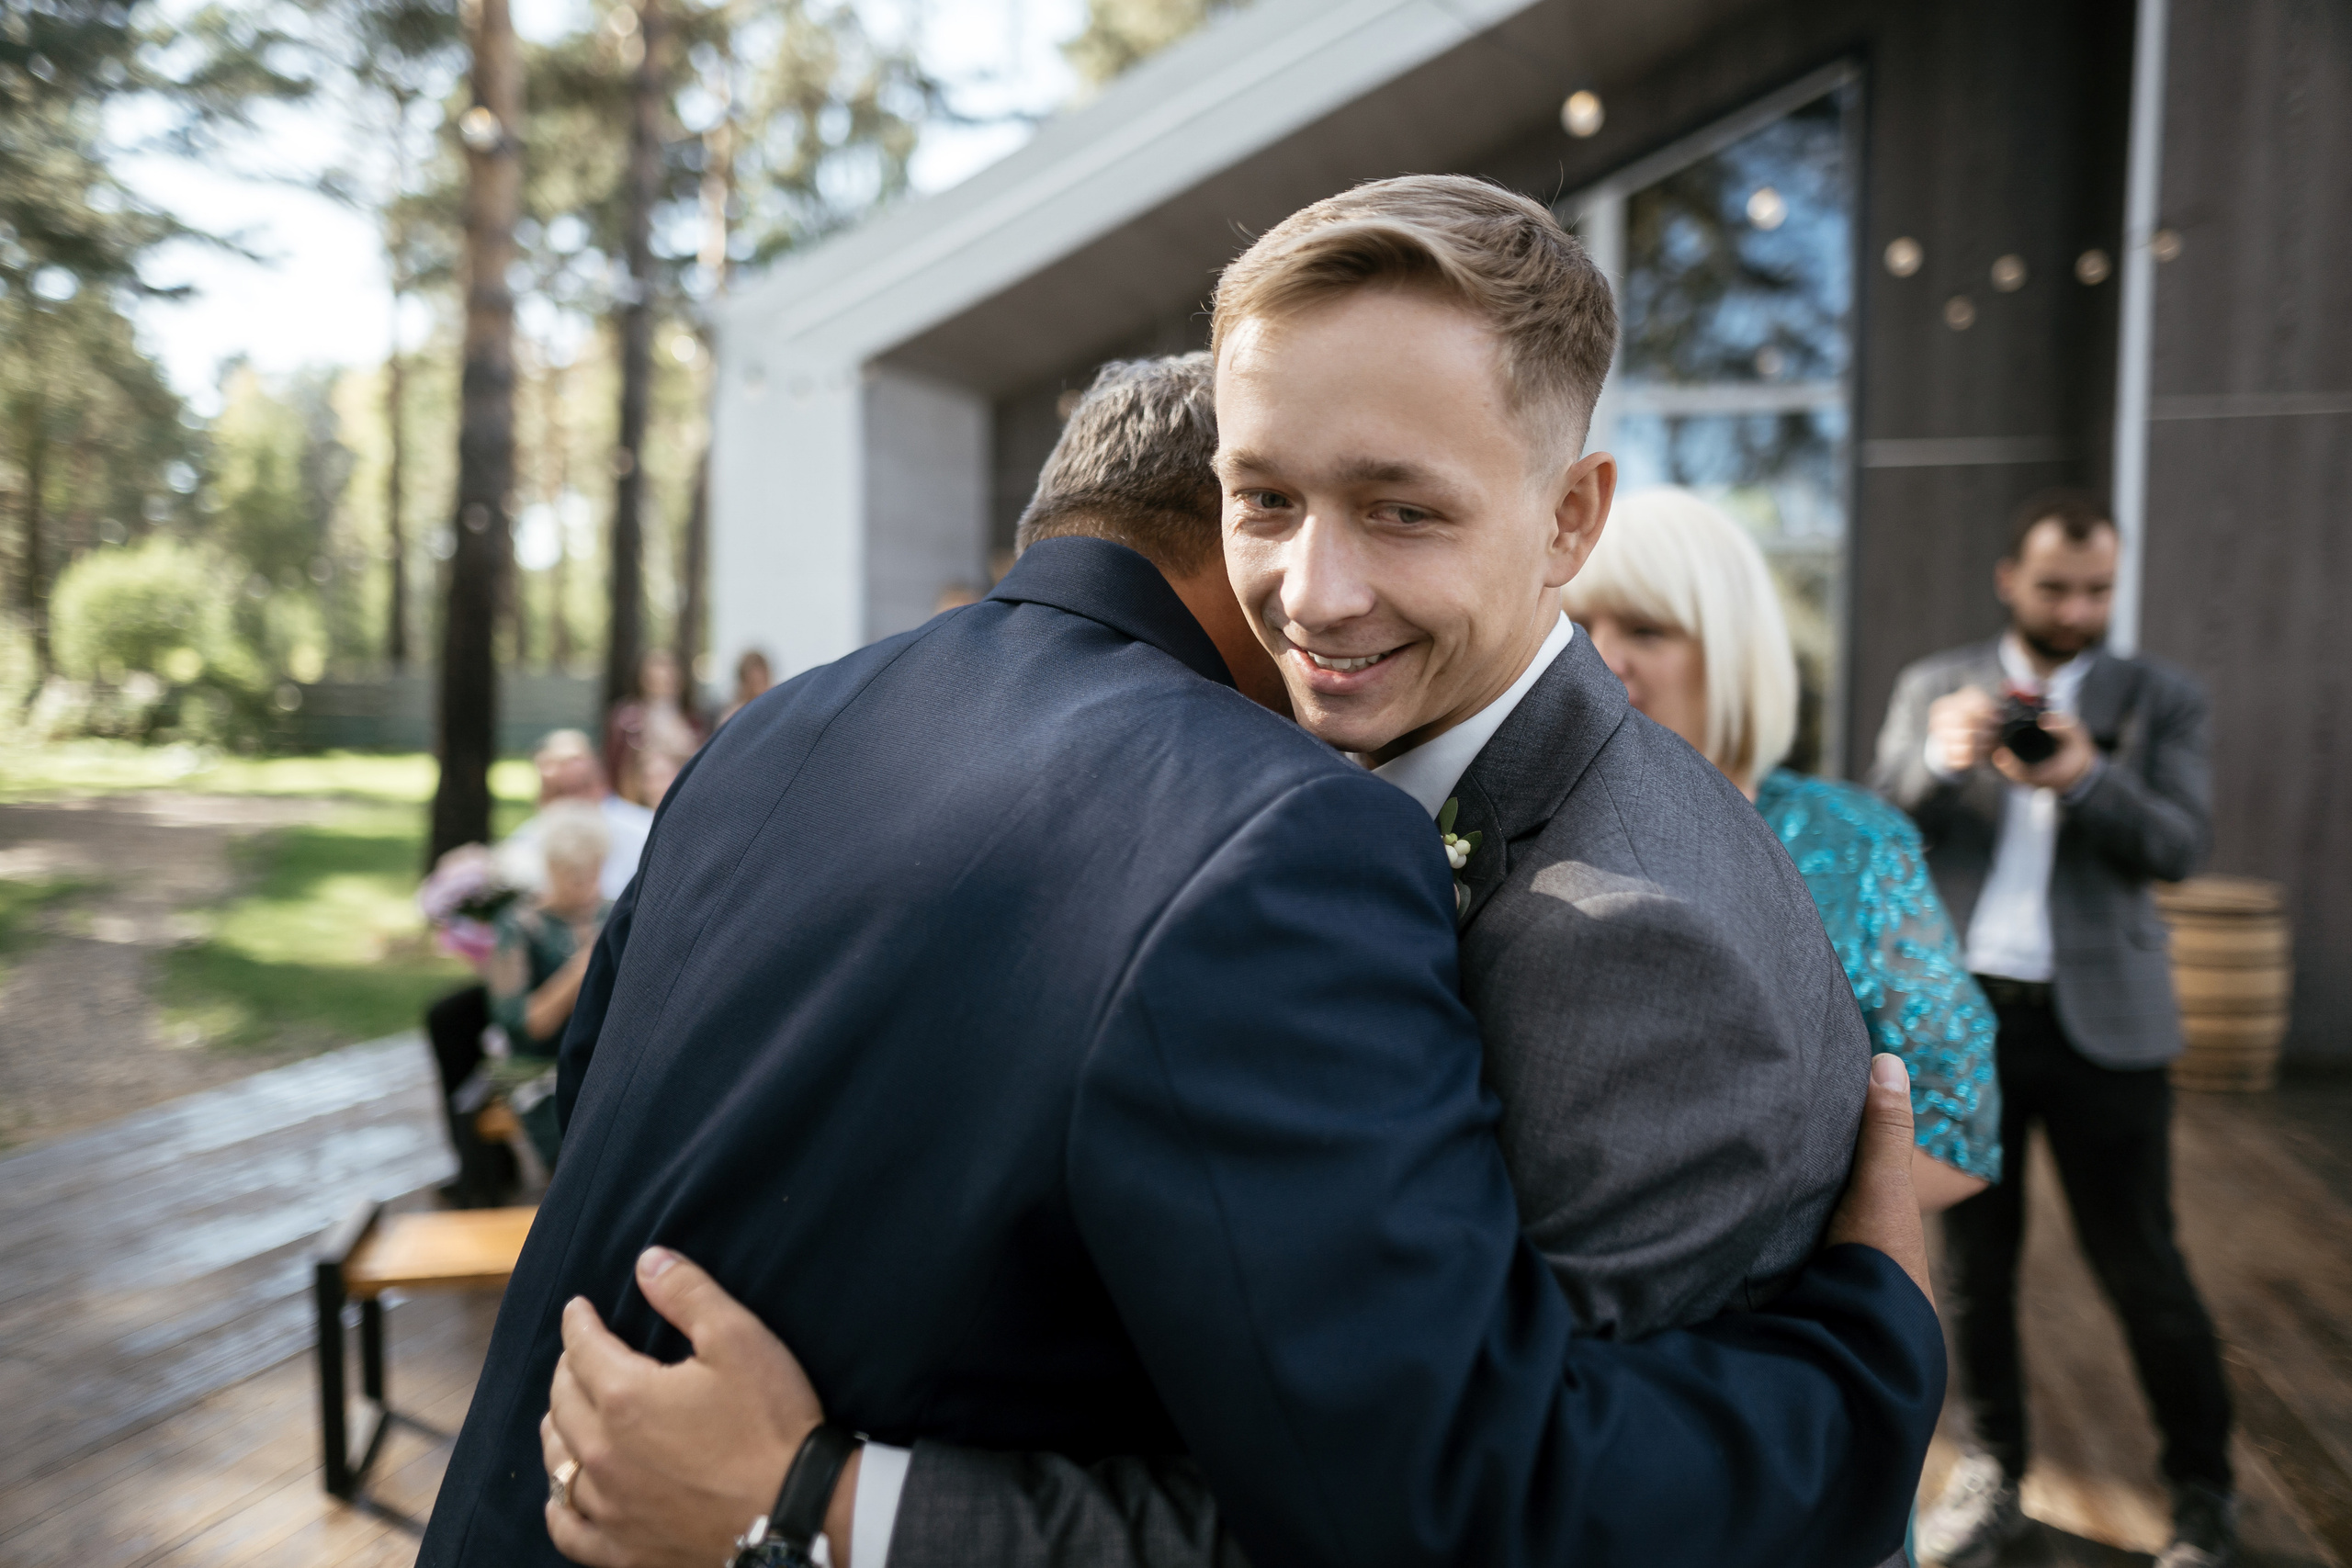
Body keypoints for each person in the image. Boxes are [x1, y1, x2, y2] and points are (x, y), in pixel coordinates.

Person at [422, 181, 1943, 1568]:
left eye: (1402, 508)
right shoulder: (1277, 816)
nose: (1311, 590)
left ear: (1570, 518)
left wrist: (1875, 1361)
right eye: (1266, 499)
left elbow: (1472, 1516)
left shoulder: (1632, 929)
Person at [1871, 490, 2228, 1568]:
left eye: (2097, 590)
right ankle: (1992, 1475)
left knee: (2144, 1267)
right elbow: (1879, 828)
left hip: (2107, 1032)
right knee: (1974, 1272)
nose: (2077, 608)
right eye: (2056, 587)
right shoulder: (1934, 684)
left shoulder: (2161, 698)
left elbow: (2179, 847)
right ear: (2008, 581)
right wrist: (1937, 762)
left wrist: (2085, 776)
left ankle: (2202, 1495)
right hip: (1967, 1027)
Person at [1563, 486, 2001, 1210]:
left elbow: (1959, 1132)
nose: (1601, 659)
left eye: (1646, 630)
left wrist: (1745, 1236)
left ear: (1733, 652)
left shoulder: (1848, 841)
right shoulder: (1513, 818)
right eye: (1575, 625)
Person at [474, 801, 613, 1169]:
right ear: (550, 868)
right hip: (541, 1069)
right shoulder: (516, 926)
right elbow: (524, 1026)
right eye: (575, 876)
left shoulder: (612, 914)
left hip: (607, 1066)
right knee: (587, 1154)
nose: (587, 887)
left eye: (595, 872)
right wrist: (581, 968)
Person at [497, 728, 654, 902]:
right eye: (561, 792)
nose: (574, 802)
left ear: (601, 784)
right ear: (542, 798)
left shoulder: (647, 833)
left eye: (582, 787)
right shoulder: (520, 849)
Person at [604, 649, 705, 806]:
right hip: (636, 803)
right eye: (656, 677)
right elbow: (616, 765)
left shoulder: (693, 721)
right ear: (642, 678)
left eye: (670, 676)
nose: (664, 680)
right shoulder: (628, 720)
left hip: (683, 798)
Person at [716, 649, 773, 727]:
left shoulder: (775, 711)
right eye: (753, 682)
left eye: (762, 681)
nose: (759, 688)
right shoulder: (733, 716)